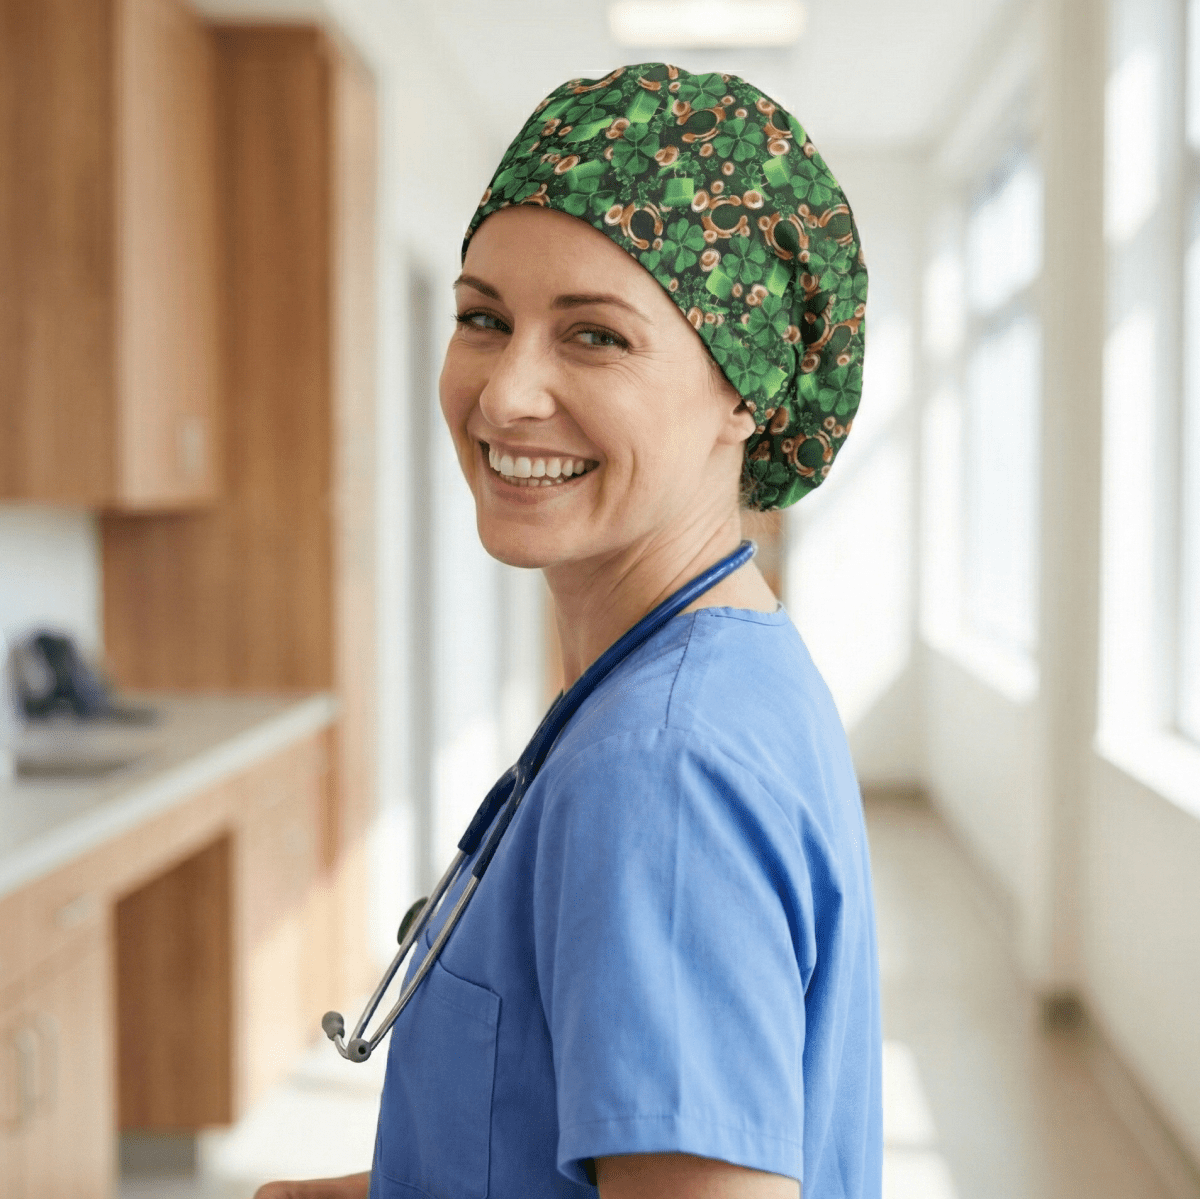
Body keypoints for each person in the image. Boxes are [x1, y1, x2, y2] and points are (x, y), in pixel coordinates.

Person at [256, 62, 879, 1199]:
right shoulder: (713, 671)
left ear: (747, 392)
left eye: (594, 337)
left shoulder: (663, 769)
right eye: (483, 318)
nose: (503, 396)